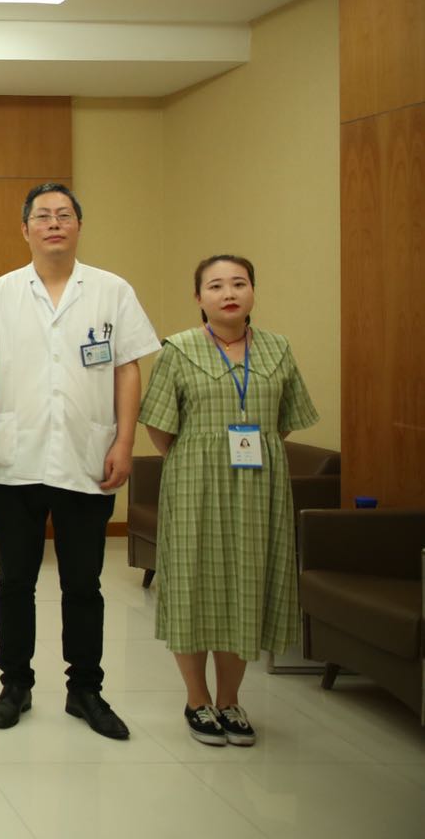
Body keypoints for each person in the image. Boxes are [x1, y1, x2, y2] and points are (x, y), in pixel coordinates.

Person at [0, 182, 159, 740]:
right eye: (43, 216)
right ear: (25, 229)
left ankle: (86, 690)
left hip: (86, 455)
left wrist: (123, 442)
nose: (54, 223)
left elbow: (127, 368)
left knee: (83, 583)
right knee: (14, 581)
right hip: (16, 455)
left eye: (64, 215)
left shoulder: (111, 291)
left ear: (78, 226)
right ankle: (15, 685)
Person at [139, 255, 318, 747]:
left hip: (259, 483)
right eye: (215, 286)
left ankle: (230, 700)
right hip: (194, 480)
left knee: (247, 584)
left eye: (239, 283)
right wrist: (203, 454)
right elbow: (160, 426)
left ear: (253, 291)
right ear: (199, 298)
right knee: (193, 583)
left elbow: (285, 420)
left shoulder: (278, 349)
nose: (228, 293)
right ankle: (197, 699)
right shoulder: (178, 349)